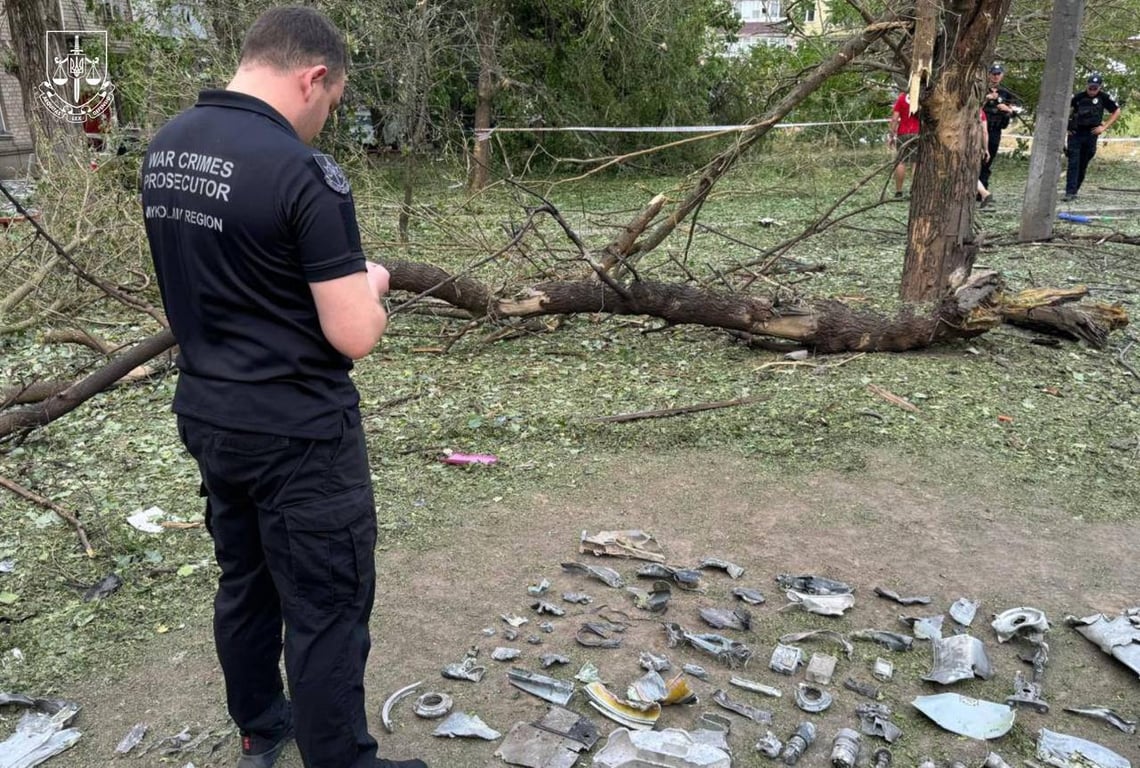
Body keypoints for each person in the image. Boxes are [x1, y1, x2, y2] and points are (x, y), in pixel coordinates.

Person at [139, 7, 427, 768]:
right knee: (327, 606)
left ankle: (261, 725)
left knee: (246, 581)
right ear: (313, 78)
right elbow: (355, 334)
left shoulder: (166, 148)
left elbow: (232, 277)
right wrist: (373, 281)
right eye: (331, 106)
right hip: (299, 433)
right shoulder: (300, 172)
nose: (325, 122)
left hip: (209, 415)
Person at [1064, 72, 1122, 201]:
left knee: (1083, 163)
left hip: (1091, 133)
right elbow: (1064, 110)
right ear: (1087, 86)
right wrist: (1066, 127)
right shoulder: (1078, 97)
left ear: (1100, 87)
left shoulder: (1104, 98)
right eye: (1090, 87)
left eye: (1095, 88)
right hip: (1076, 133)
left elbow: (1117, 111)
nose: (1092, 91)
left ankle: (1075, 189)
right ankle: (1069, 192)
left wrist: (1104, 127)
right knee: (1073, 162)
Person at [979, 63, 1020, 198]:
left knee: (987, 161)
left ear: (1002, 75)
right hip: (980, 130)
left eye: (998, 74)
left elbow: (1016, 110)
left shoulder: (1006, 93)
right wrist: (986, 98)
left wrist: (1007, 109)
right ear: (989, 74)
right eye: (993, 73)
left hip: (995, 130)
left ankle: (982, 192)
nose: (995, 76)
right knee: (976, 160)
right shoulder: (981, 89)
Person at [887, 90, 920, 197]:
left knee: (901, 161)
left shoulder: (901, 98)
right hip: (917, 133)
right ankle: (914, 189)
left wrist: (891, 135)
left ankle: (899, 191)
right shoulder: (921, 98)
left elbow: (895, 118)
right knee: (916, 163)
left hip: (903, 134)